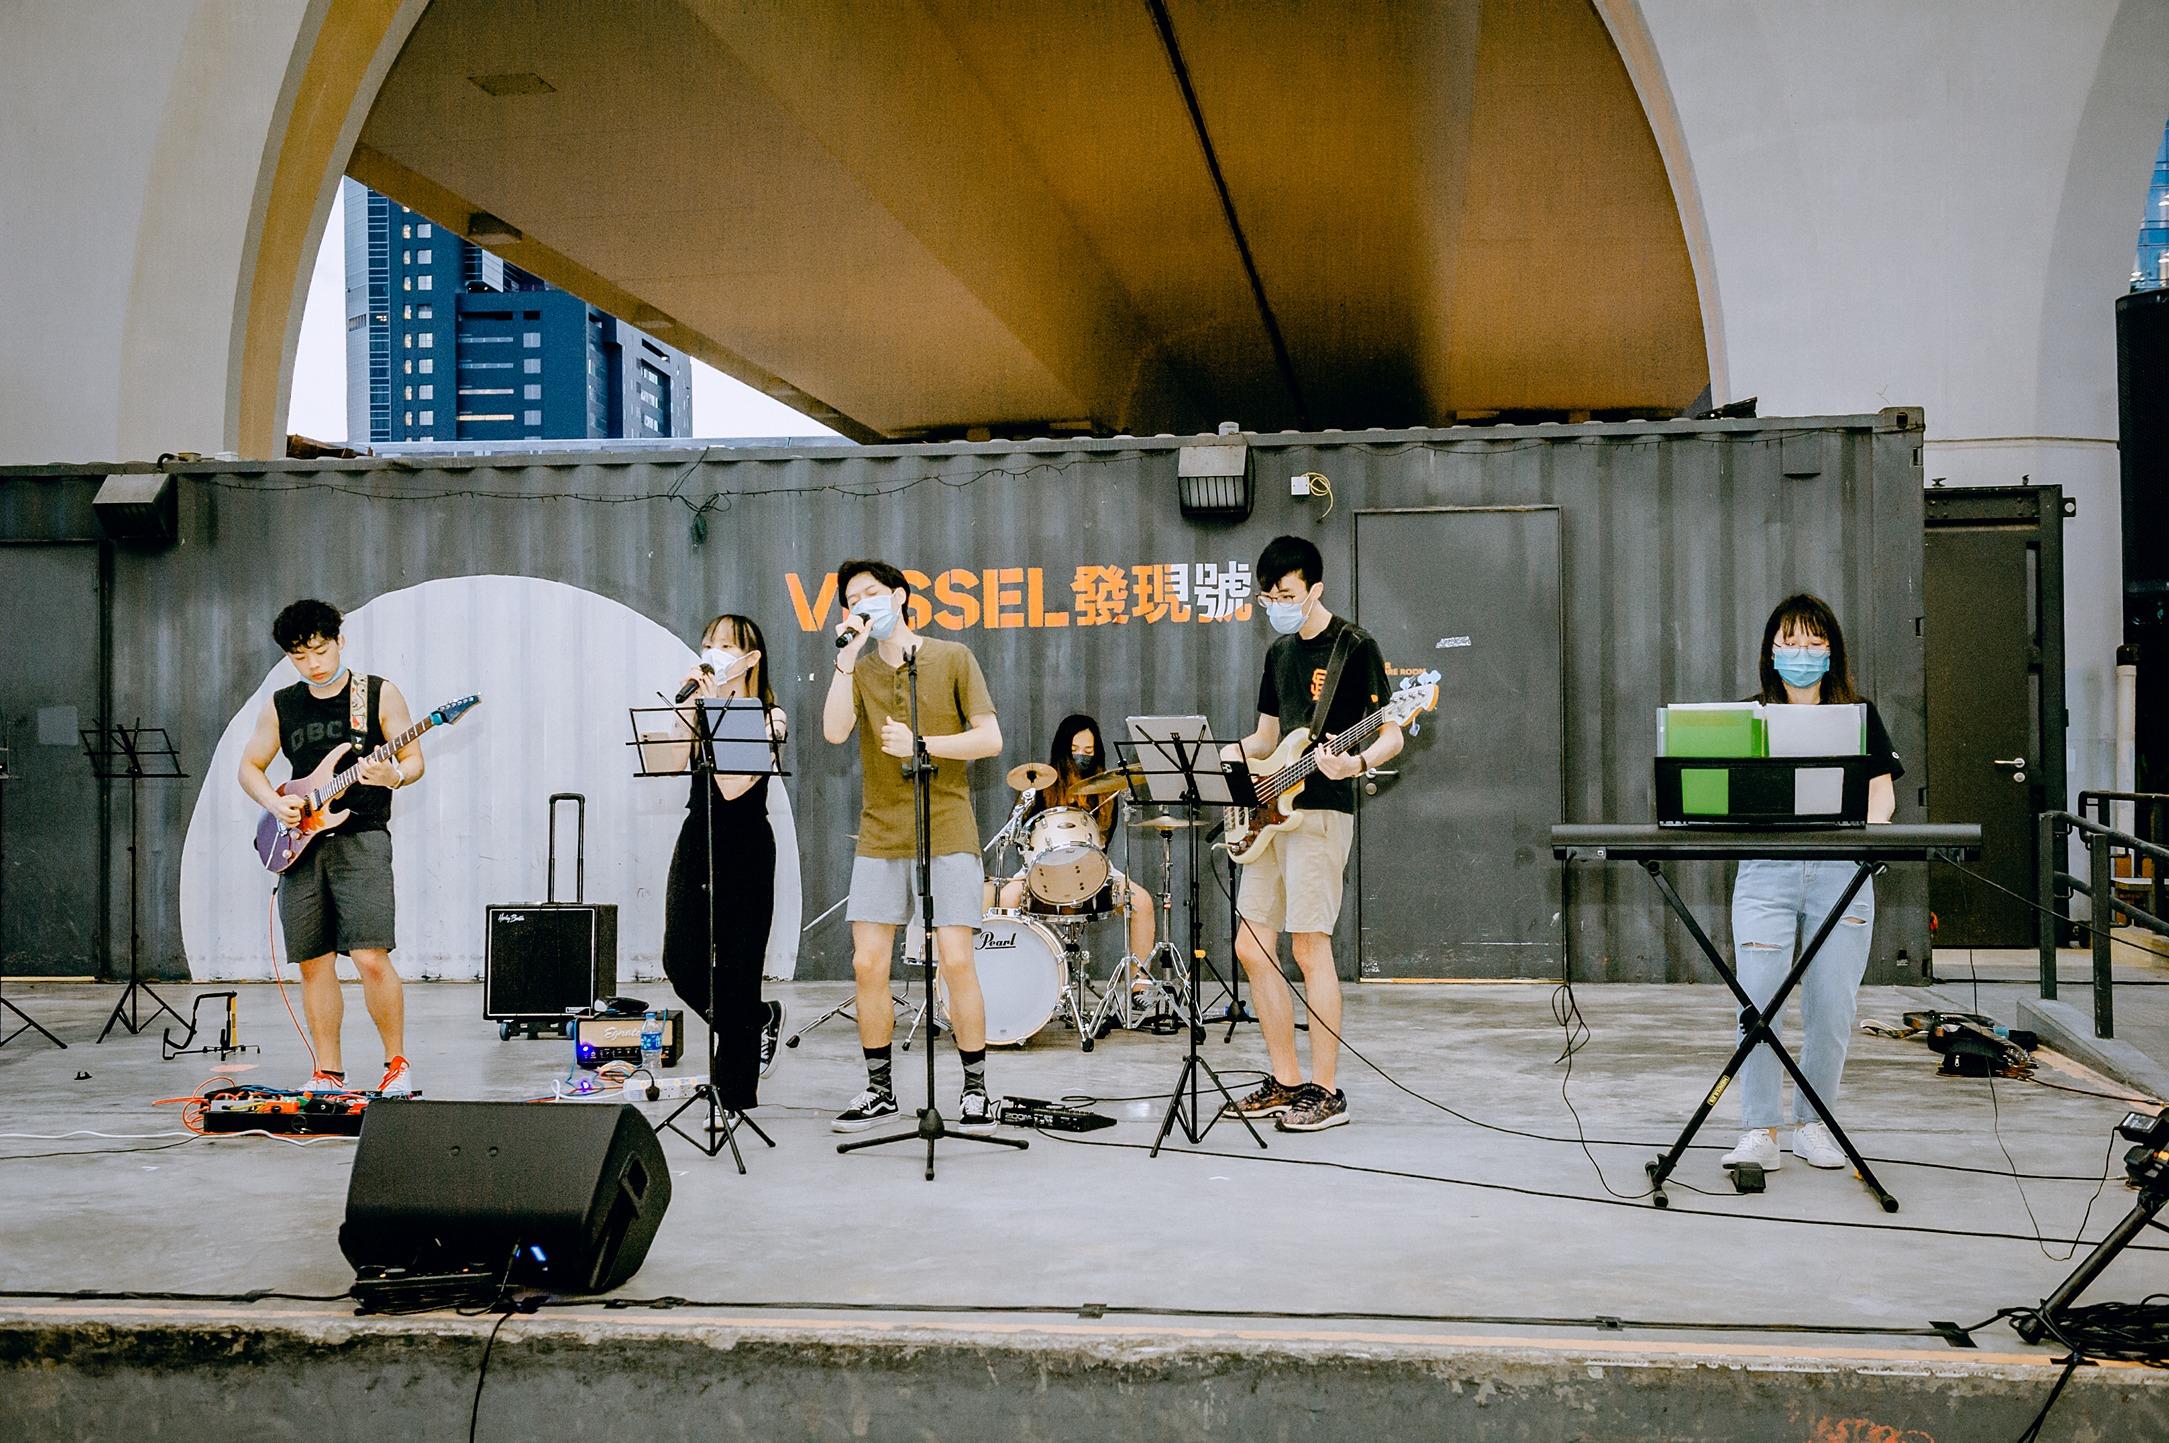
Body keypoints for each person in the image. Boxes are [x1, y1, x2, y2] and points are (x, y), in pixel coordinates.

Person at [1220, 536, 1401, 1132]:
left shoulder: (1355, 646)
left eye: (1288, 594)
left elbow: (1393, 732)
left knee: (1308, 946)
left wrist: (1356, 762)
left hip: (1321, 814)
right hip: (1273, 814)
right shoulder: (1278, 653)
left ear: (1315, 589)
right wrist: (1227, 756)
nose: (1277, 603)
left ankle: (1326, 1091)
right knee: (1251, 944)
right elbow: (1268, 739)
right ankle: (1285, 1079)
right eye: (1267, 595)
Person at [1720, 593, 1902, 1177]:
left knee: (1831, 1008)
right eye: (1790, 641)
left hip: (1841, 874)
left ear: (1832, 650)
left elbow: (1882, 794)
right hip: (1766, 873)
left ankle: (1813, 1124)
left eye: (1814, 642)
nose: (1801, 653)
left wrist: (1864, 843)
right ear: (1771, 652)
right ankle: (1758, 1130)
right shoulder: (1748, 719)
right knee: (1759, 1004)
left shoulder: (1858, 716)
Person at [823, 559, 1005, 1132]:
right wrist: (844, 662)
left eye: (871, 593)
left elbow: (990, 738)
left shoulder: (951, 657)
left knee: (955, 958)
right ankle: (879, 1090)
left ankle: (976, 1089)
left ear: (900, 596)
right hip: (880, 830)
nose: (862, 605)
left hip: (947, 825)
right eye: (852, 599)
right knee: (867, 962)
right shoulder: (857, 669)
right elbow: (833, 732)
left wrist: (923, 742)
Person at [237, 599, 423, 1096]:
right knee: (314, 962)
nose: (313, 663)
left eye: (320, 650)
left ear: (340, 640)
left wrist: (395, 775)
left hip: (360, 836)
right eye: (300, 656)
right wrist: (276, 806)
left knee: (369, 956)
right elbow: (249, 767)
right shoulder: (282, 705)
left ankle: (397, 1065)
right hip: (299, 846)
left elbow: (413, 759)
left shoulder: (379, 694)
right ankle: (328, 1071)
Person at [660, 614, 790, 1113]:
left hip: (747, 845)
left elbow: (735, 785)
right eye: (707, 643)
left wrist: (715, 708)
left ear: (750, 659)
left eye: (725, 646)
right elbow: (672, 762)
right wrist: (691, 708)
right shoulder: (701, 705)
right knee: (682, 961)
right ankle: (755, 1020)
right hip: (698, 837)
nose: (712, 652)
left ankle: (735, 1093)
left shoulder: (768, 715)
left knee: (737, 969)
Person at [996, 713, 1156, 982]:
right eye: (1074, 750)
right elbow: (1019, 835)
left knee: (1141, 902)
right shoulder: (1040, 785)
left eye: (1089, 750)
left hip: (1091, 868)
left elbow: (1104, 842)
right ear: (1062, 749)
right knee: (1006, 899)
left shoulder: (1107, 788)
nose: (1082, 755)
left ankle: (1140, 989)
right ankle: (1012, 983)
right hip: (1041, 869)